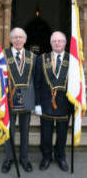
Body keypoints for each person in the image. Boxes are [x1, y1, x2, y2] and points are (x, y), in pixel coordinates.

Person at [35, 31, 74, 172]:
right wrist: (37, 103)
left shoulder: (72, 60)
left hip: (65, 104)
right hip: (46, 103)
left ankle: (60, 156)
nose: (57, 43)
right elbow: (37, 83)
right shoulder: (42, 59)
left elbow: (76, 83)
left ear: (65, 43)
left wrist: (76, 102)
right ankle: (46, 157)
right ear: (51, 43)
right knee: (46, 133)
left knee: (62, 134)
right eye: (55, 41)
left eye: (60, 41)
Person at [2, 27, 36, 173]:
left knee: (25, 131)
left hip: (26, 100)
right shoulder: (3, 55)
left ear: (25, 40)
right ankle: (8, 159)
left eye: (20, 37)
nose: (17, 40)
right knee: (9, 131)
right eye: (15, 37)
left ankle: (24, 159)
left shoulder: (33, 57)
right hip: (9, 100)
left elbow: (37, 81)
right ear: (10, 39)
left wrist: (37, 102)